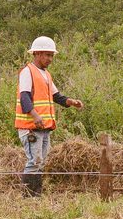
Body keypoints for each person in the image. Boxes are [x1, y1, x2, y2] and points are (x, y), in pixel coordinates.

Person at [14, 36, 83, 197]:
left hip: (44, 128)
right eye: (47, 55)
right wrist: (35, 115)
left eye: (52, 55)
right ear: (37, 53)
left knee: (40, 162)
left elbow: (56, 96)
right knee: (34, 162)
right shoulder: (27, 72)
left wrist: (70, 102)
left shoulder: (46, 74)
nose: (50, 59)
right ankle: (29, 197)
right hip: (31, 127)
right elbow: (24, 97)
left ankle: (35, 195)